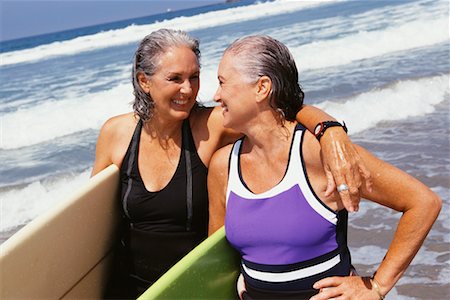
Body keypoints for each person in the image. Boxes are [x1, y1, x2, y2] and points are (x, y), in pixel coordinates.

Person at [91, 29, 369, 299]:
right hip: (130, 289)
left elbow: (281, 111)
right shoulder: (116, 134)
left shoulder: (212, 125)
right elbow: (93, 224)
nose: (188, 90)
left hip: (196, 287)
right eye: (175, 78)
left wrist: (330, 131)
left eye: (194, 77)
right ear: (144, 81)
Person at [207, 35, 442, 300]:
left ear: (262, 87)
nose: (216, 95)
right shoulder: (223, 166)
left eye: (222, 83)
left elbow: (422, 202)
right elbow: (217, 257)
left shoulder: (317, 153)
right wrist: (240, 277)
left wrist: (377, 286)